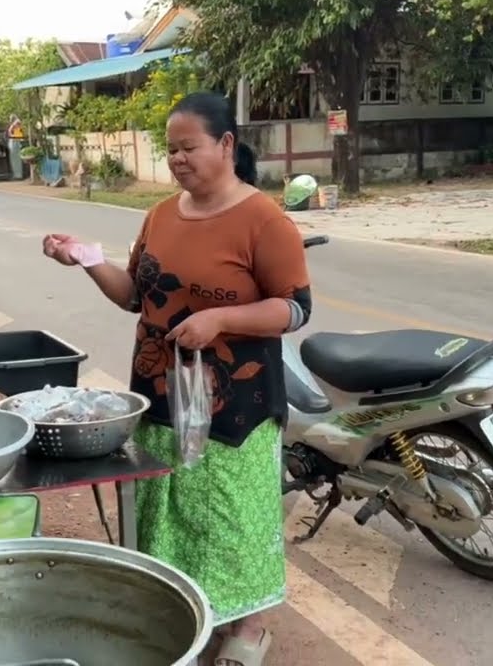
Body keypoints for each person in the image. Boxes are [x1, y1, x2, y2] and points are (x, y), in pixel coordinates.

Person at [42, 91, 311, 666]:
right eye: (171, 150)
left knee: (232, 517)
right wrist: (87, 259)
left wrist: (221, 319)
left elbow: (295, 309)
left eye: (188, 147)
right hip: (161, 393)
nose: (178, 159)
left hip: (236, 402)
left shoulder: (264, 219)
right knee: (169, 510)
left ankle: (247, 627)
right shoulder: (161, 215)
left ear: (227, 146)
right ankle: (184, 616)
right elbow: (136, 297)